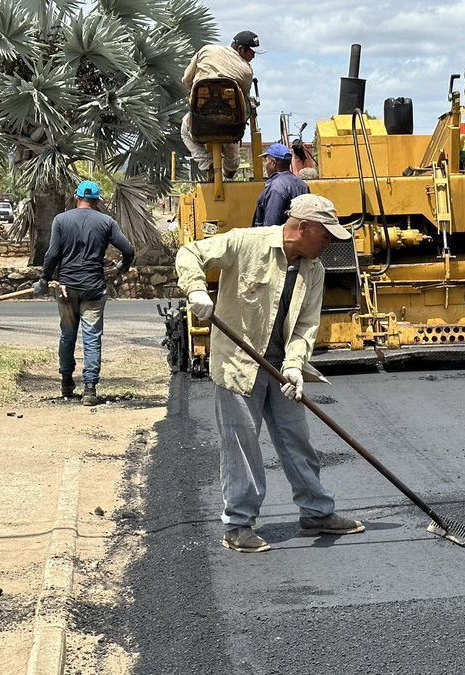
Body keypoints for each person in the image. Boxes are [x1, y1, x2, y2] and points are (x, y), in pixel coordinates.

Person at [175, 193, 364, 553]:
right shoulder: (247, 243)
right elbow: (190, 253)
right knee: (242, 446)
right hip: (240, 365)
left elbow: (306, 325)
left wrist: (294, 364)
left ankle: (316, 512)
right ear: (303, 228)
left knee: (297, 440)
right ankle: (238, 525)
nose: (329, 244)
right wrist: (196, 290)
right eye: (326, 236)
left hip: (280, 370)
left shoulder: (315, 270)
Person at [34, 181, 135, 406]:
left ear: (75, 197)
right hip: (93, 289)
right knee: (91, 337)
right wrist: (121, 268)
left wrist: (44, 279)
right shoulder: (106, 222)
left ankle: (67, 383)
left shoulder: (61, 220)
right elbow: (128, 250)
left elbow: (52, 254)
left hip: (66, 289)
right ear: (97, 201)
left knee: (67, 335)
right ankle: (89, 389)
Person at [181, 30, 261, 180]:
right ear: (240, 49)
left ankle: (206, 164)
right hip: (230, 127)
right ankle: (230, 171)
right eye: (252, 51)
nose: (253, 56)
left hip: (200, 123)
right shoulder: (246, 71)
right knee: (232, 153)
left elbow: (186, 79)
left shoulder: (206, 51)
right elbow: (244, 100)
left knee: (185, 131)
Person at [251, 143, 309, 227]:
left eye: (266, 161)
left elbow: (271, 227)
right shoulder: (303, 185)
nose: (265, 164)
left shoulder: (275, 188)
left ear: (273, 163)